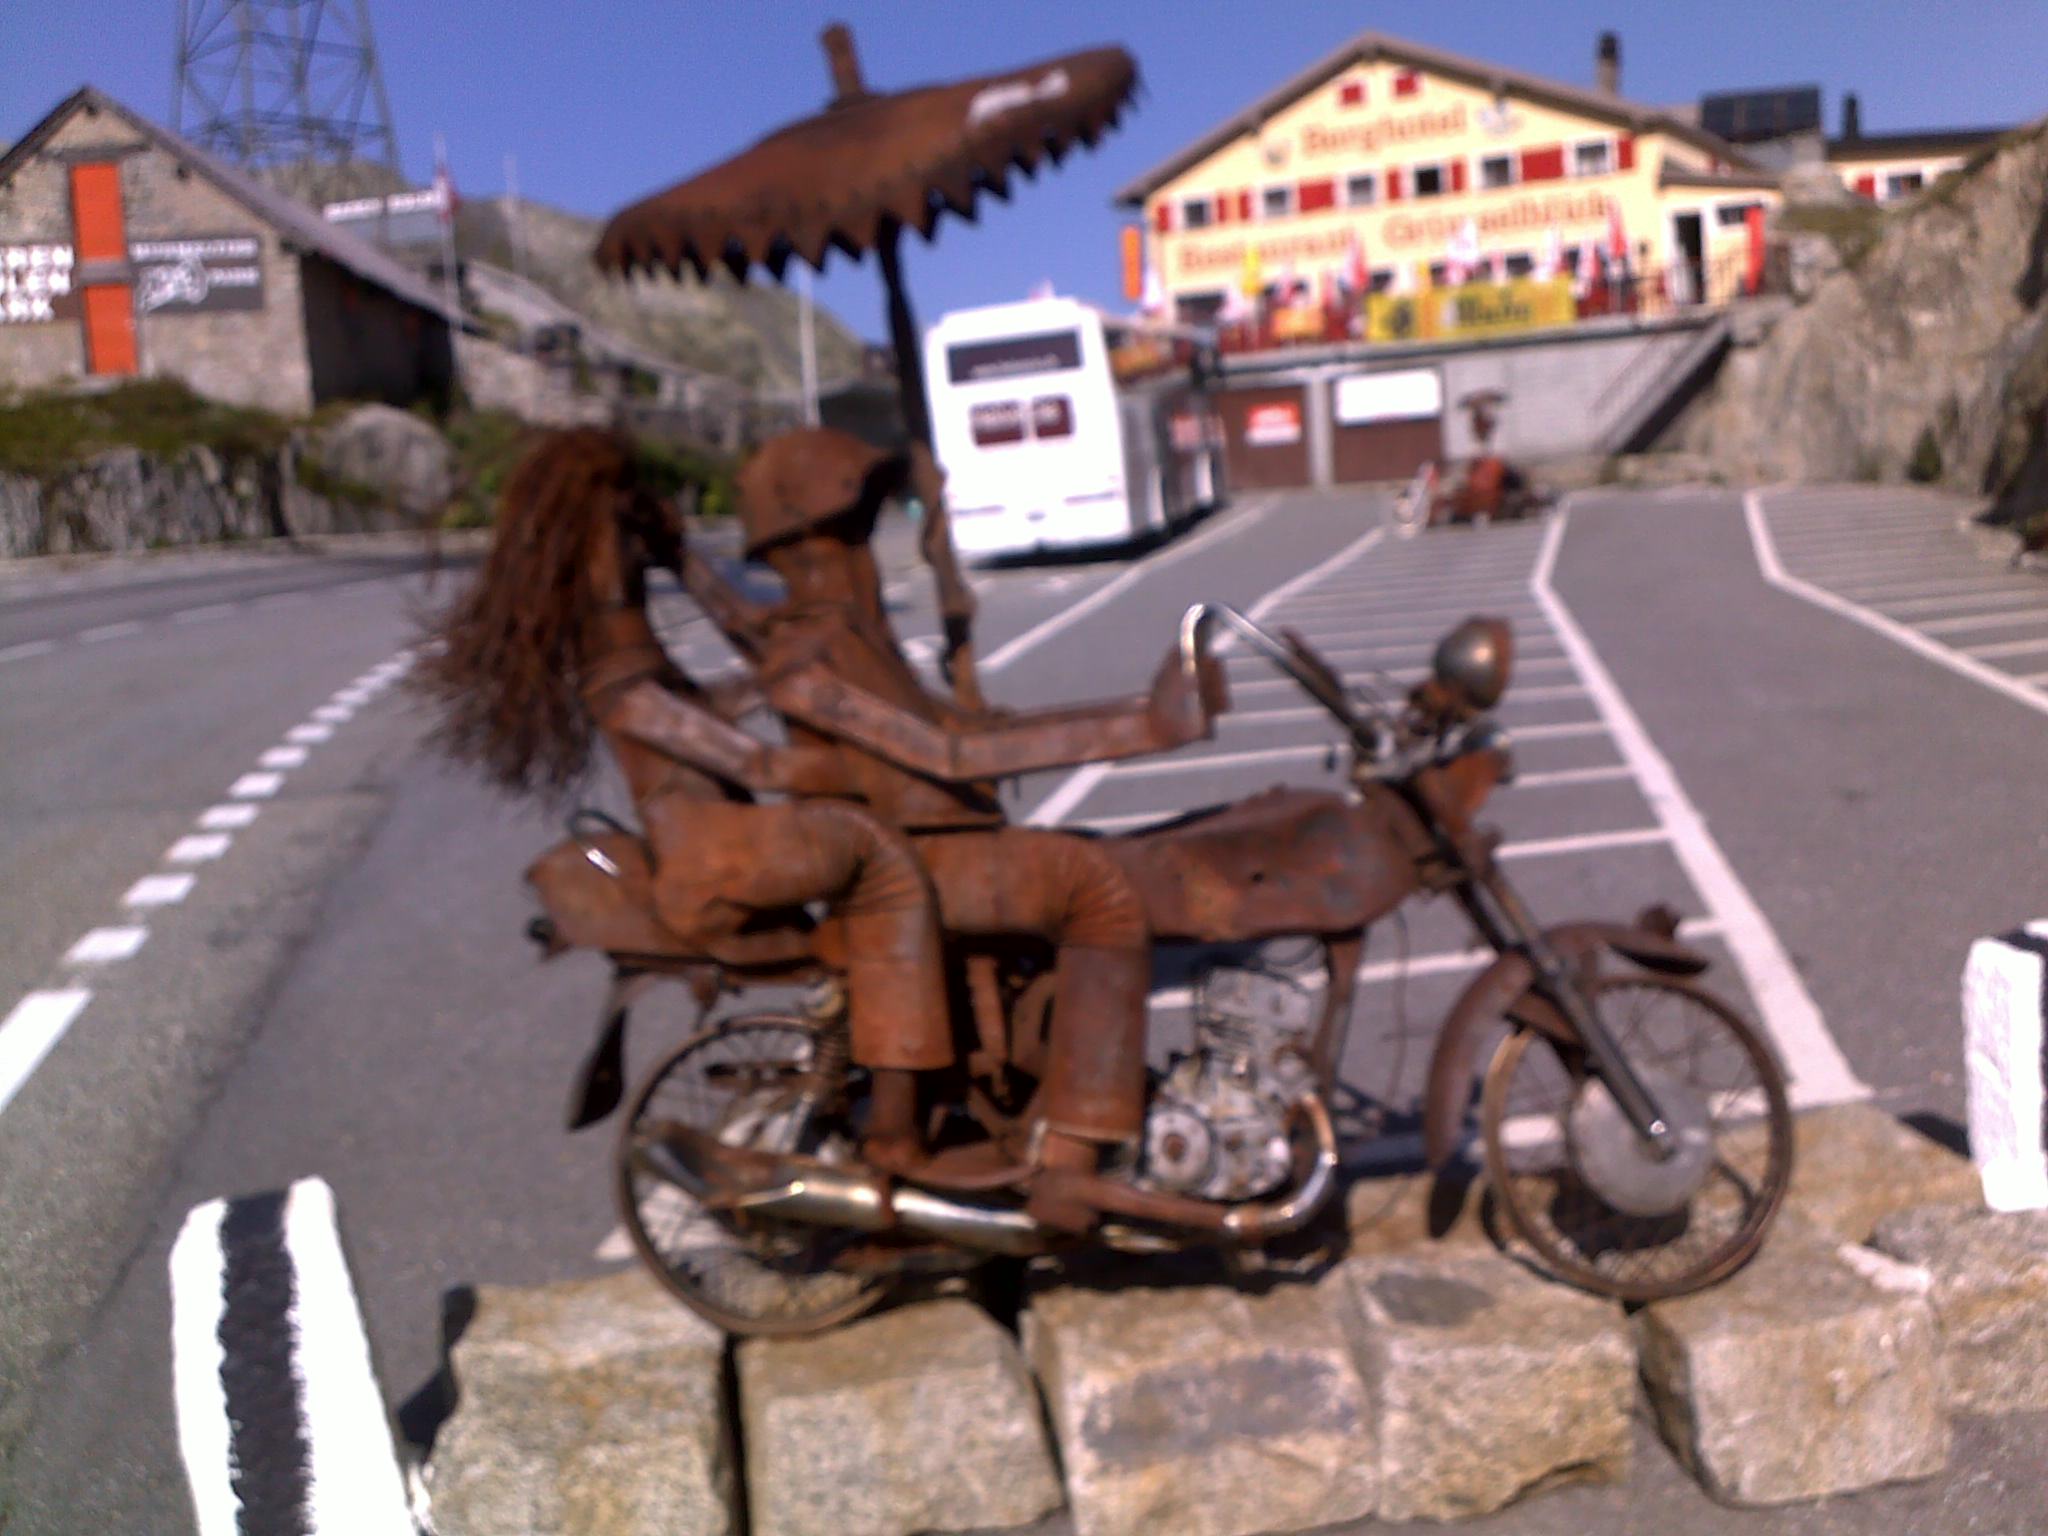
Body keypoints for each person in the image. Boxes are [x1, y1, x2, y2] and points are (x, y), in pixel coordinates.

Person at [698, 427, 1231, 1221]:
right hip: (911, 865)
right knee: (1102, 892)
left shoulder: (850, 636)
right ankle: (1074, 1160)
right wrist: (1150, 727)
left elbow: (953, 730)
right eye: (858, 536)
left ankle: (1055, 1092)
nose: (870, 554)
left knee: (1136, 855)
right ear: (819, 543)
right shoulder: (815, 649)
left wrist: (1119, 716)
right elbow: (939, 753)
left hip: (935, 849)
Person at [413, 428, 956, 1168]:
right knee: (883, 863)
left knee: (872, 857)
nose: (636, 550)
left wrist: (689, 564)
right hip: (716, 869)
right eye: (626, 537)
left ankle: (906, 1072)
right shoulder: (623, 684)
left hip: (733, 850)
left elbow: (750, 674)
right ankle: (896, 1137)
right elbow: (756, 763)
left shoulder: (637, 663)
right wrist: (885, 770)